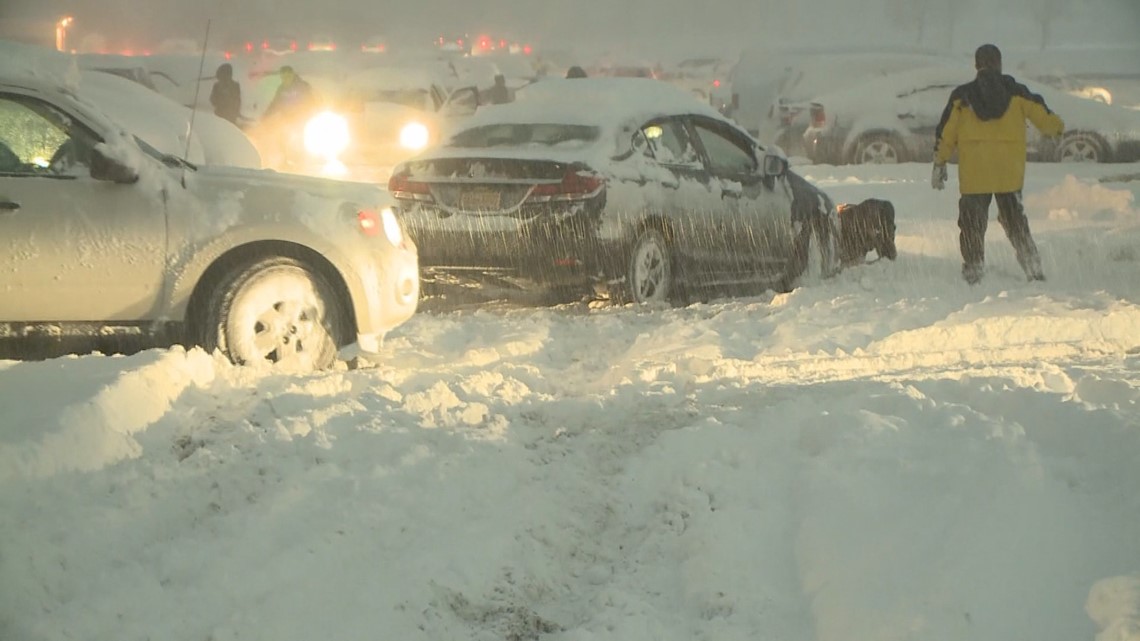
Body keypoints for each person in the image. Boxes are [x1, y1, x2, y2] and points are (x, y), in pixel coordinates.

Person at [932, 43, 1064, 284]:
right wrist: (1057, 127)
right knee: (1015, 222)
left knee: (972, 224)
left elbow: (946, 132)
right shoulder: (1017, 92)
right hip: (1009, 174)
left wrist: (939, 162)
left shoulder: (962, 97)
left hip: (975, 174)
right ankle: (1033, 268)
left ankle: (973, 270)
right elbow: (1046, 120)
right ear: (1000, 64)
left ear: (976, 65)